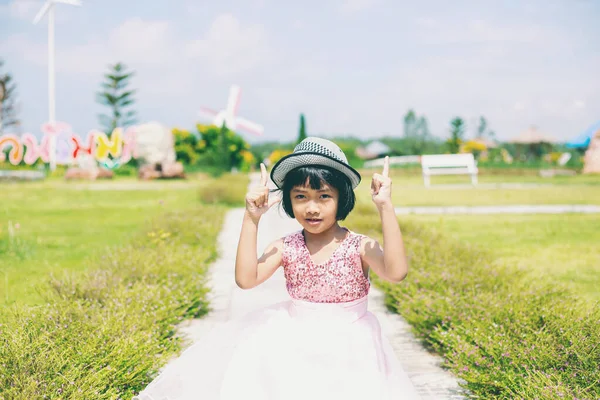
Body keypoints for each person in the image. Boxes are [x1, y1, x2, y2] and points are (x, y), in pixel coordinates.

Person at [133, 137, 421, 400]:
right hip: (295, 345)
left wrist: (385, 206)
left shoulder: (359, 246)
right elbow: (246, 280)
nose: (311, 208)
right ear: (288, 200)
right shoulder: (286, 247)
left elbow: (396, 272)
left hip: (353, 348)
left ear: (342, 198)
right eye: (300, 197)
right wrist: (251, 219)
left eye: (323, 196)